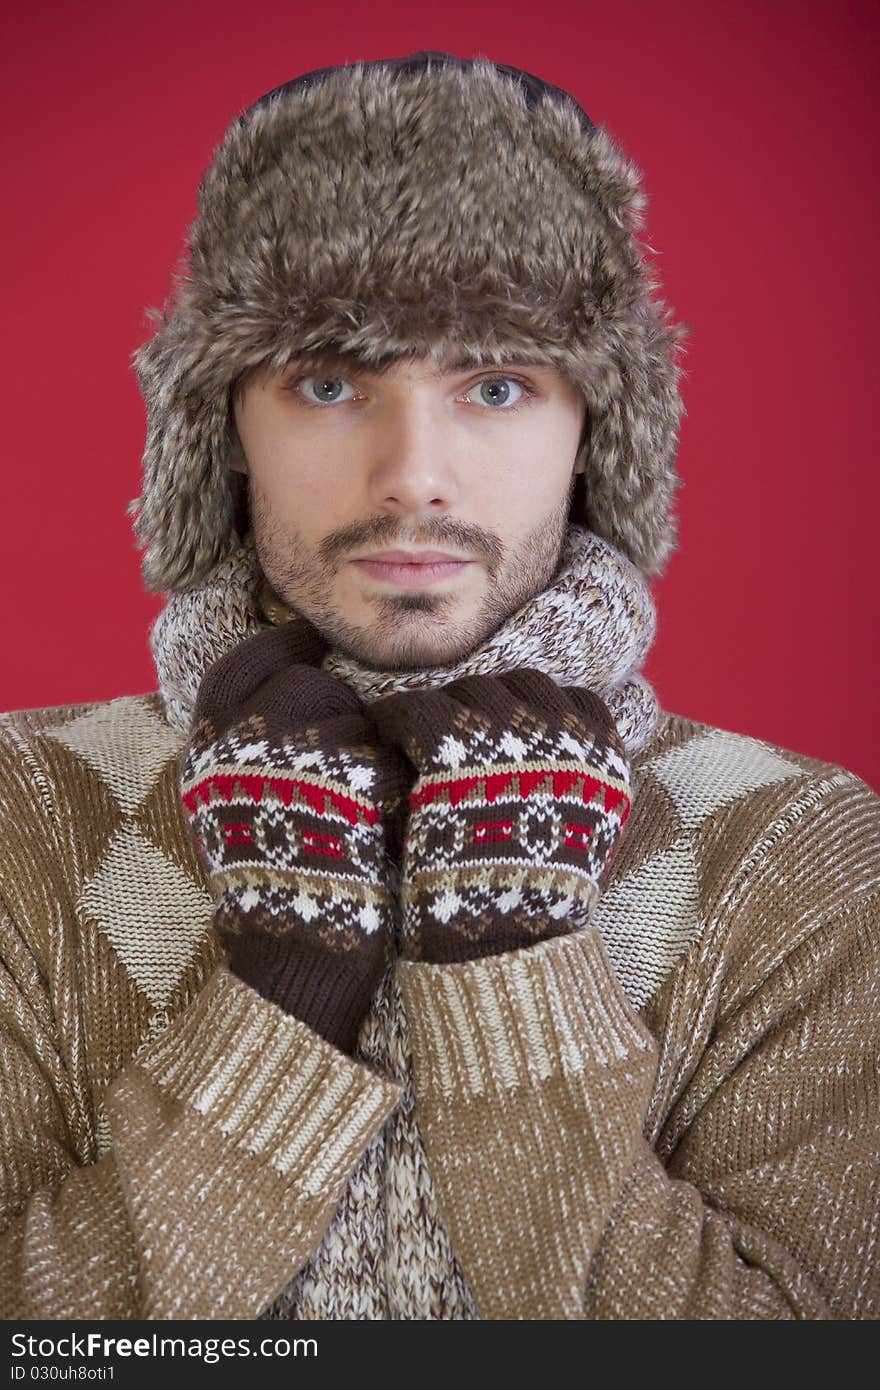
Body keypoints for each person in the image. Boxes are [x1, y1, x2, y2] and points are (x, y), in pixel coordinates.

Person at [0, 50, 877, 1322]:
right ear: (221, 431)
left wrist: (516, 969)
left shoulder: (794, 850)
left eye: (497, 384)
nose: (414, 474)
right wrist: (275, 1000)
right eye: (328, 381)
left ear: (593, 434)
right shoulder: (25, 811)